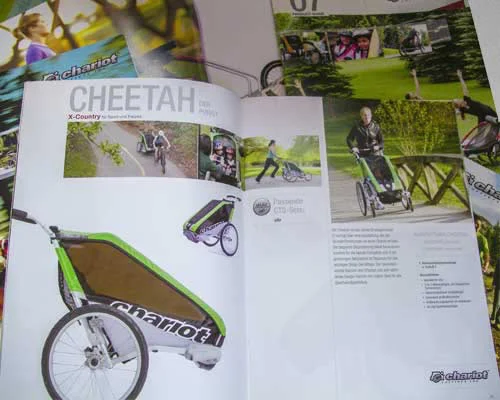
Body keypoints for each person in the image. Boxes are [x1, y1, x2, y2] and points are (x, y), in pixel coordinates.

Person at [347, 107, 385, 209]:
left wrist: (378, 146)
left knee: (378, 175)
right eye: (364, 115)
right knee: (367, 178)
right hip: (362, 155)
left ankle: (382, 197)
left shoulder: (376, 127)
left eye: (368, 115)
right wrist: (353, 148)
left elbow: (382, 142)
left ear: (371, 116)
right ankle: (373, 199)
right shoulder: (357, 127)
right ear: (361, 116)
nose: (366, 117)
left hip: (375, 154)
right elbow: (349, 139)